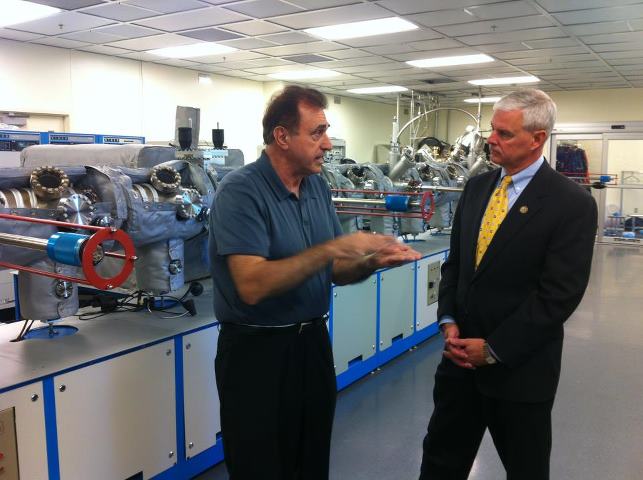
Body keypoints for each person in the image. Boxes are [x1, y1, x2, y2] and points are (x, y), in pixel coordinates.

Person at [209, 85, 421, 480]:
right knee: (262, 467)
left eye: (326, 132)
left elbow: (332, 271)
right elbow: (252, 285)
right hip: (257, 354)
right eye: (317, 132)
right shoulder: (240, 191)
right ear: (282, 137)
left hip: (312, 346)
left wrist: (372, 262)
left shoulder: (316, 187)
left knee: (311, 461)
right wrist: (333, 248)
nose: (327, 144)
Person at [419, 89, 597, 480]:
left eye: (504, 134)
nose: (491, 141)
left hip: (519, 373)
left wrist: (495, 349)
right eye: (492, 131)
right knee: (440, 462)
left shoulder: (571, 203)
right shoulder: (477, 188)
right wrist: (448, 319)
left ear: (537, 139)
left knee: (526, 468)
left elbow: (558, 295)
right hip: (458, 367)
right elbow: (456, 266)